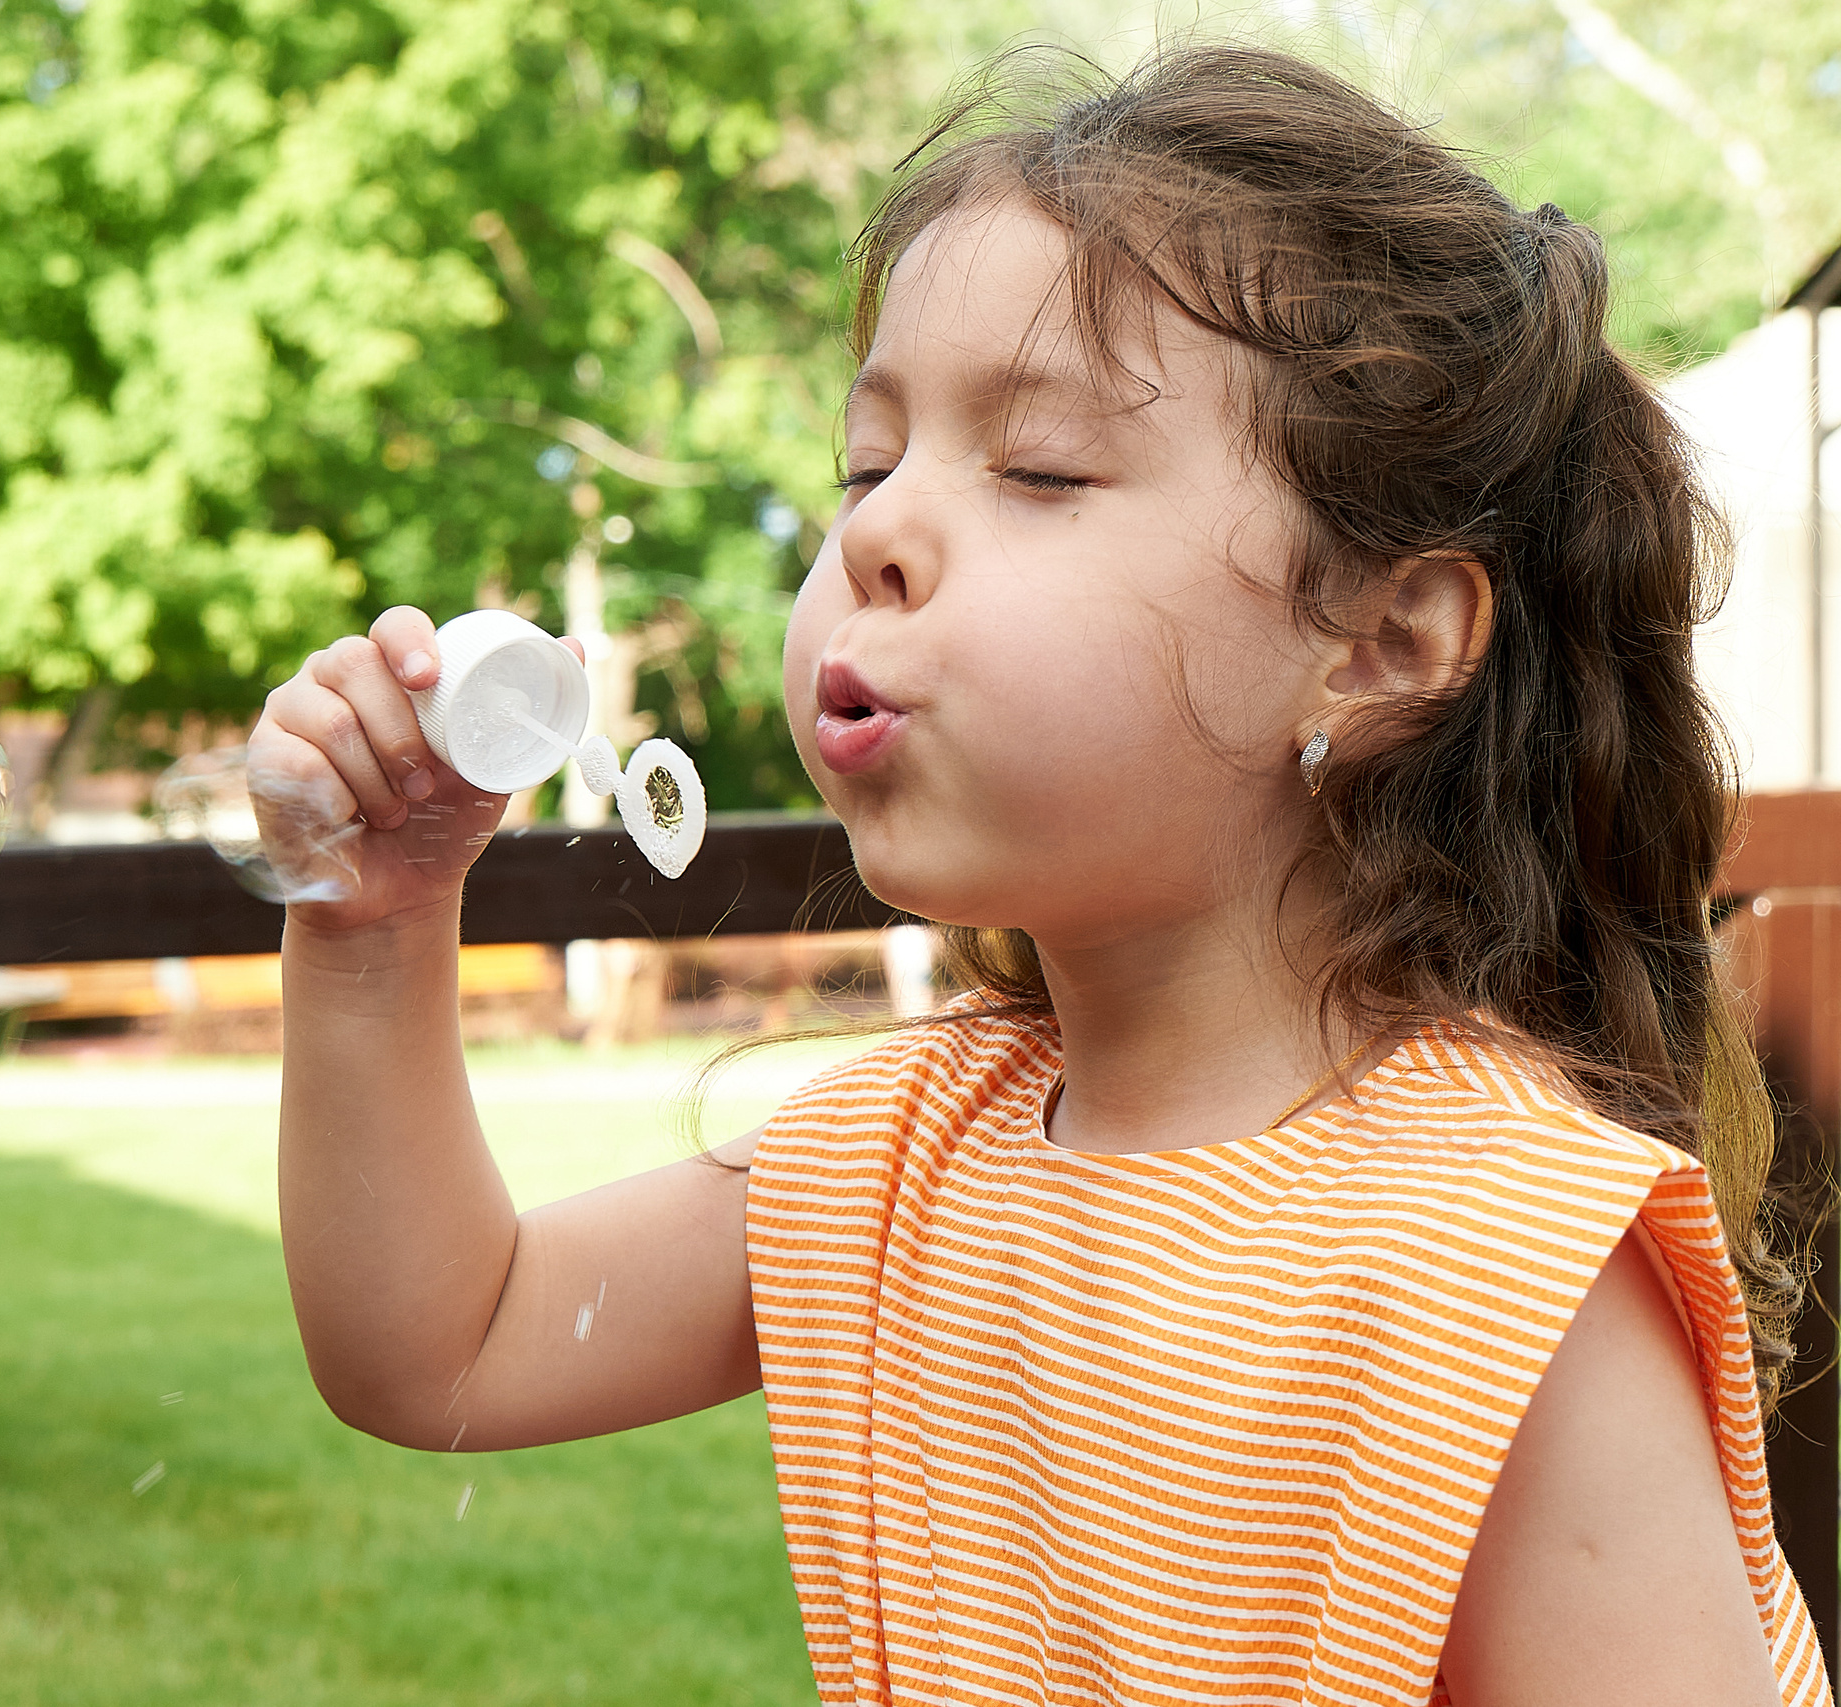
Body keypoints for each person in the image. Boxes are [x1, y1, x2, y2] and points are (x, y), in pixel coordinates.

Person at [248, 43, 1830, 1707]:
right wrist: (375, 926)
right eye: (869, 466)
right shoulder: (899, 1160)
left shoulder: (1490, 1257)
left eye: (1043, 470)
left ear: (1382, 640)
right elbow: (444, 1346)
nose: (874, 536)